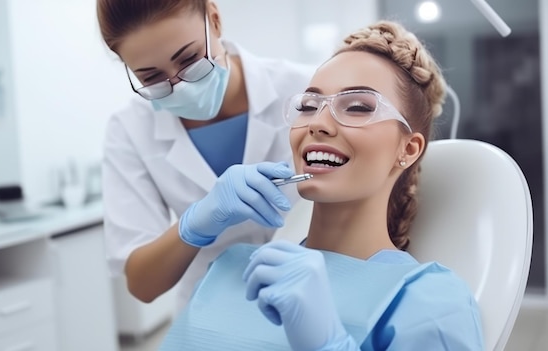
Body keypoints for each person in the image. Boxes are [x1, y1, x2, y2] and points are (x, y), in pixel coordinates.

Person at [159, 20, 484, 350]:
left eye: (358, 107)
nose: (318, 123)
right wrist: (193, 223)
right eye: (308, 106)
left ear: (408, 149)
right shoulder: (233, 268)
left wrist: (328, 343)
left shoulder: (430, 302)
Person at [96, 0, 314, 308]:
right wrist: (194, 225)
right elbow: (142, 284)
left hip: (313, 297)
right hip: (210, 315)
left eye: (190, 59)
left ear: (214, 20)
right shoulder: (129, 129)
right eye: (151, 78)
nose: (179, 87)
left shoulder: (305, 89)